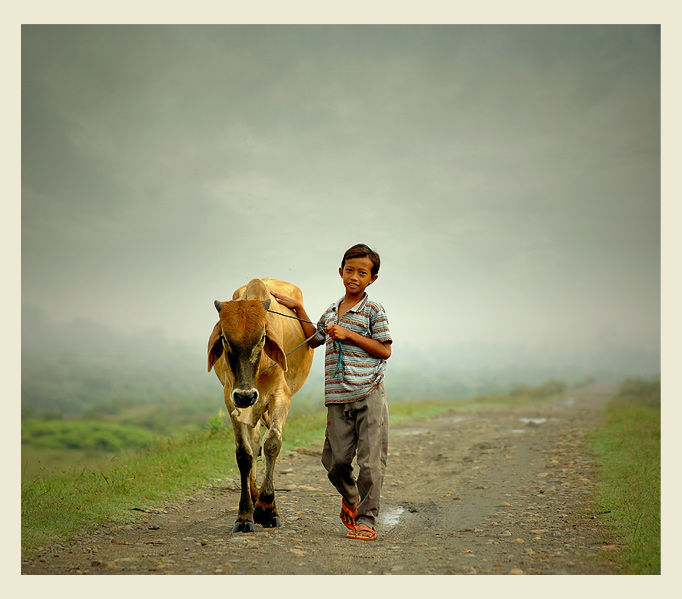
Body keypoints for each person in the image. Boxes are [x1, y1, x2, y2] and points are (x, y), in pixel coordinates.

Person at [271, 243, 392, 541]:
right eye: (349, 270)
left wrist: (349, 334)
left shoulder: (373, 310)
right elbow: (313, 340)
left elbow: (385, 350)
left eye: (362, 273)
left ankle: (366, 520)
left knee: (370, 462)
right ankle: (351, 498)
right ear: (340, 272)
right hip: (338, 398)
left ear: (372, 279)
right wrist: (297, 308)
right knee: (335, 462)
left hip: (368, 393)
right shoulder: (331, 311)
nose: (354, 276)